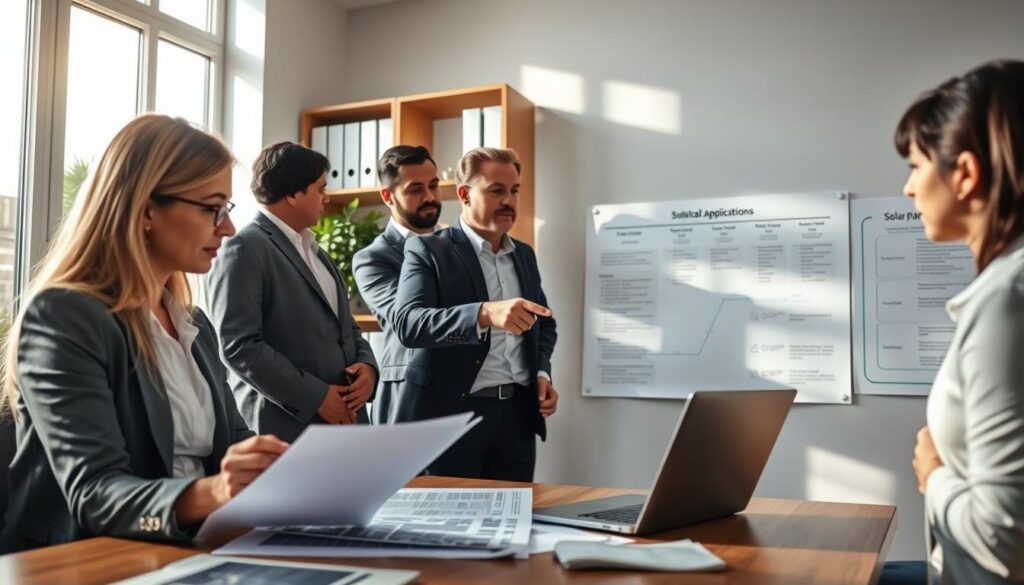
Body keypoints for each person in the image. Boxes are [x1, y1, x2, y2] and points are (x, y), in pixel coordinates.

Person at [0, 115, 287, 552]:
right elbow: (94, 493)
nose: (227, 228)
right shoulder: (64, 316)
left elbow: (231, 442)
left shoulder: (194, 326)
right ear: (148, 208)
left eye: (227, 210)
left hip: (193, 549)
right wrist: (216, 491)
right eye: (213, 207)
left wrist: (287, 468)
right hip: (86, 560)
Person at [898, 60, 1024, 583]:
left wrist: (936, 476)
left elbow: (1004, 541)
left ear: (966, 174)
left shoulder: (1006, 300)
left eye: (916, 166)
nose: (908, 189)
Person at [390, 147, 558, 481]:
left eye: (514, 191)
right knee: (451, 528)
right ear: (465, 194)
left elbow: (545, 322)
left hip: (518, 418)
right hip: (454, 417)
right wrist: (482, 314)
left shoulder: (524, 255)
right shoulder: (427, 249)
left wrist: (542, 374)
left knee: (515, 524)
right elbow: (409, 324)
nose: (508, 200)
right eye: (496, 190)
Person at [206, 142, 377, 442]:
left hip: (347, 426)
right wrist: (318, 397)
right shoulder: (243, 248)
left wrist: (368, 369)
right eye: (320, 189)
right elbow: (239, 346)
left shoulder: (317, 253)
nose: (327, 198)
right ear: (292, 194)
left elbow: (347, 329)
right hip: (287, 430)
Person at [353, 145, 443, 424]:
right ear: (387, 196)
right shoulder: (372, 259)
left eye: (434, 185)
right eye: (416, 189)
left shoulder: (460, 245)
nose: (429, 197)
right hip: (413, 403)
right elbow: (413, 323)